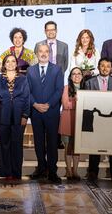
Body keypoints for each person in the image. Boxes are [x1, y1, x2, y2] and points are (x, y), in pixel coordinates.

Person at [27, 43, 64, 184]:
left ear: (50, 53)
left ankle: (52, 171)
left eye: (46, 51)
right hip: (36, 112)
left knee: (52, 142)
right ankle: (41, 168)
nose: (43, 54)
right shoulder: (30, 71)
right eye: (40, 51)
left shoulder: (57, 70)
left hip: (52, 111)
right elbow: (28, 91)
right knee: (38, 142)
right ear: (37, 53)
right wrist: (35, 104)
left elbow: (59, 90)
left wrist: (48, 104)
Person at [85, 57, 112, 183]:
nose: (105, 68)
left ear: (111, 68)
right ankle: (92, 172)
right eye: (102, 66)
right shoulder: (90, 83)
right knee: (94, 146)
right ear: (98, 67)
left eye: (108, 66)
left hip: (111, 119)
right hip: (96, 119)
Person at [0, 54, 30, 180]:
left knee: (17, 144)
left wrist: (25, 115)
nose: (10, 63)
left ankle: (16, 172)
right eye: (7, 61)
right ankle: (5, 172)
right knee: (4, 144)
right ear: (4, 64)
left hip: (18, 115)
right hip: (3, 115)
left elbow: (27, 98)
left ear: (16, 64)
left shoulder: (23, 78)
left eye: (13, 61)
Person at [34, 21, 68, 150]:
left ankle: (56, 140)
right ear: (45, 31)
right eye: (48, 30)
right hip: (41, 85)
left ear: (56, 30)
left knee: (54, 114)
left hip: (56, 84)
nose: (51, 32)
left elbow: (64, 65)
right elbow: (34, 63)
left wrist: (55, 77)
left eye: (53, 29)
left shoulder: (64, 46)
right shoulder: (38, 45)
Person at [59, 67, 84, 181]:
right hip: (67, 120)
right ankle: (68, 170)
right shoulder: (66, 88)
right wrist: (78, 102)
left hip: (80, 121)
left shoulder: (86, 88)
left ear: (82, 76)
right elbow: (65, 104)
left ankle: (75, 171)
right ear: (70, 77)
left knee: (77, 148)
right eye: (74, 74)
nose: (76, 76)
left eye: (79, 73)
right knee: (68, 148)